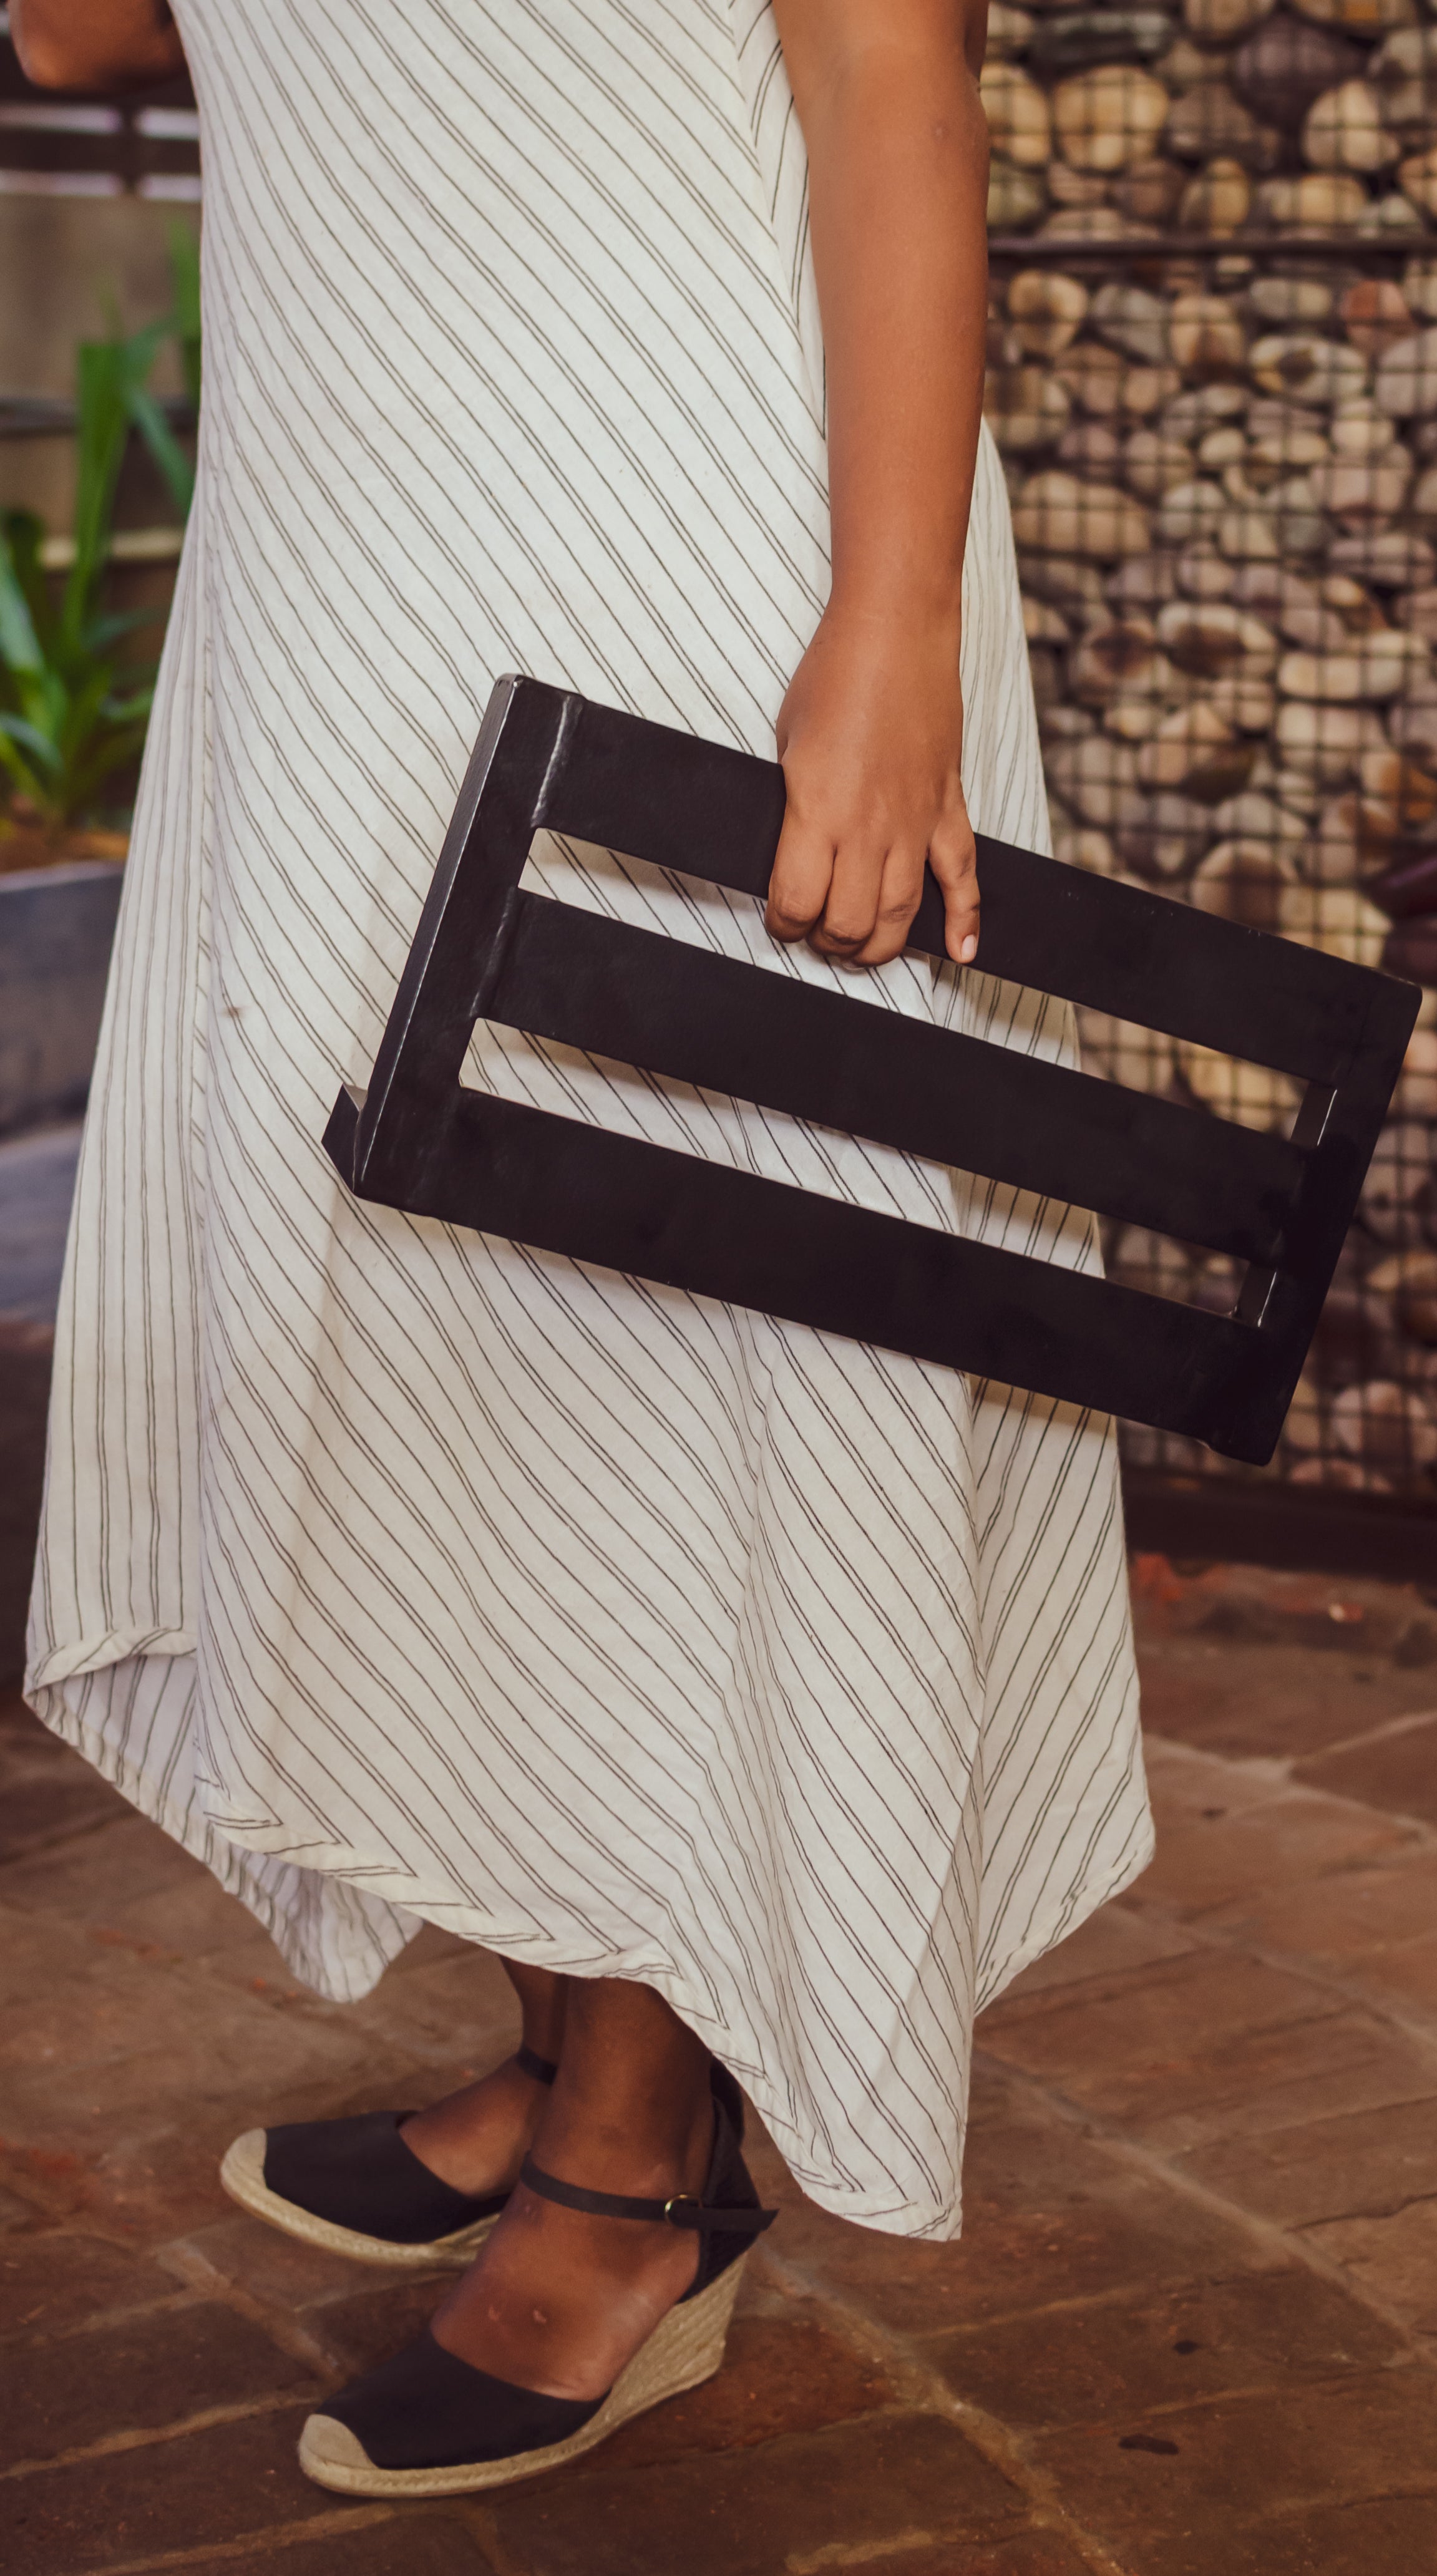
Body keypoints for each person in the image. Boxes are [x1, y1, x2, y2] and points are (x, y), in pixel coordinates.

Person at [16, 0, 1151, 2499]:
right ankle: (577, 2010)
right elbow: (93, 31)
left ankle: (642, 2155)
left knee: (638, 1304)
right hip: (351, 569)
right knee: (427, 1298)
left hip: (674, 535)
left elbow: (885, 82)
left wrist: (893, 620)